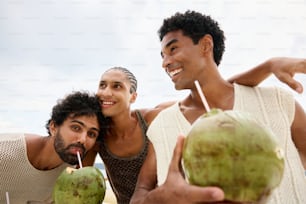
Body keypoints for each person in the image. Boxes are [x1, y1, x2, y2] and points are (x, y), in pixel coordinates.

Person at [130, 10, 306, 204]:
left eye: (173, 49)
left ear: (206, 45)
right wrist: (157, 199)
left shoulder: (277, 101)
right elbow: (141, 193)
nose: (165, 63)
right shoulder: (162, 125)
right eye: (162, 55)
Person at [84, 60, 305, 204]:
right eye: (102, 85)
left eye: (117, 86)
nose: (106, 92)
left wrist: (267, 67)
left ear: (133, 97)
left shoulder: (152, 117)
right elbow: (84, 177)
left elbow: (209, 93)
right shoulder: (96, 135)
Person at [0, 91, 107, 203]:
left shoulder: (70, 177)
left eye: (91, 134)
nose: (83, 139)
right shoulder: (5, 152)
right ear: (54, 127)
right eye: (76, 128)